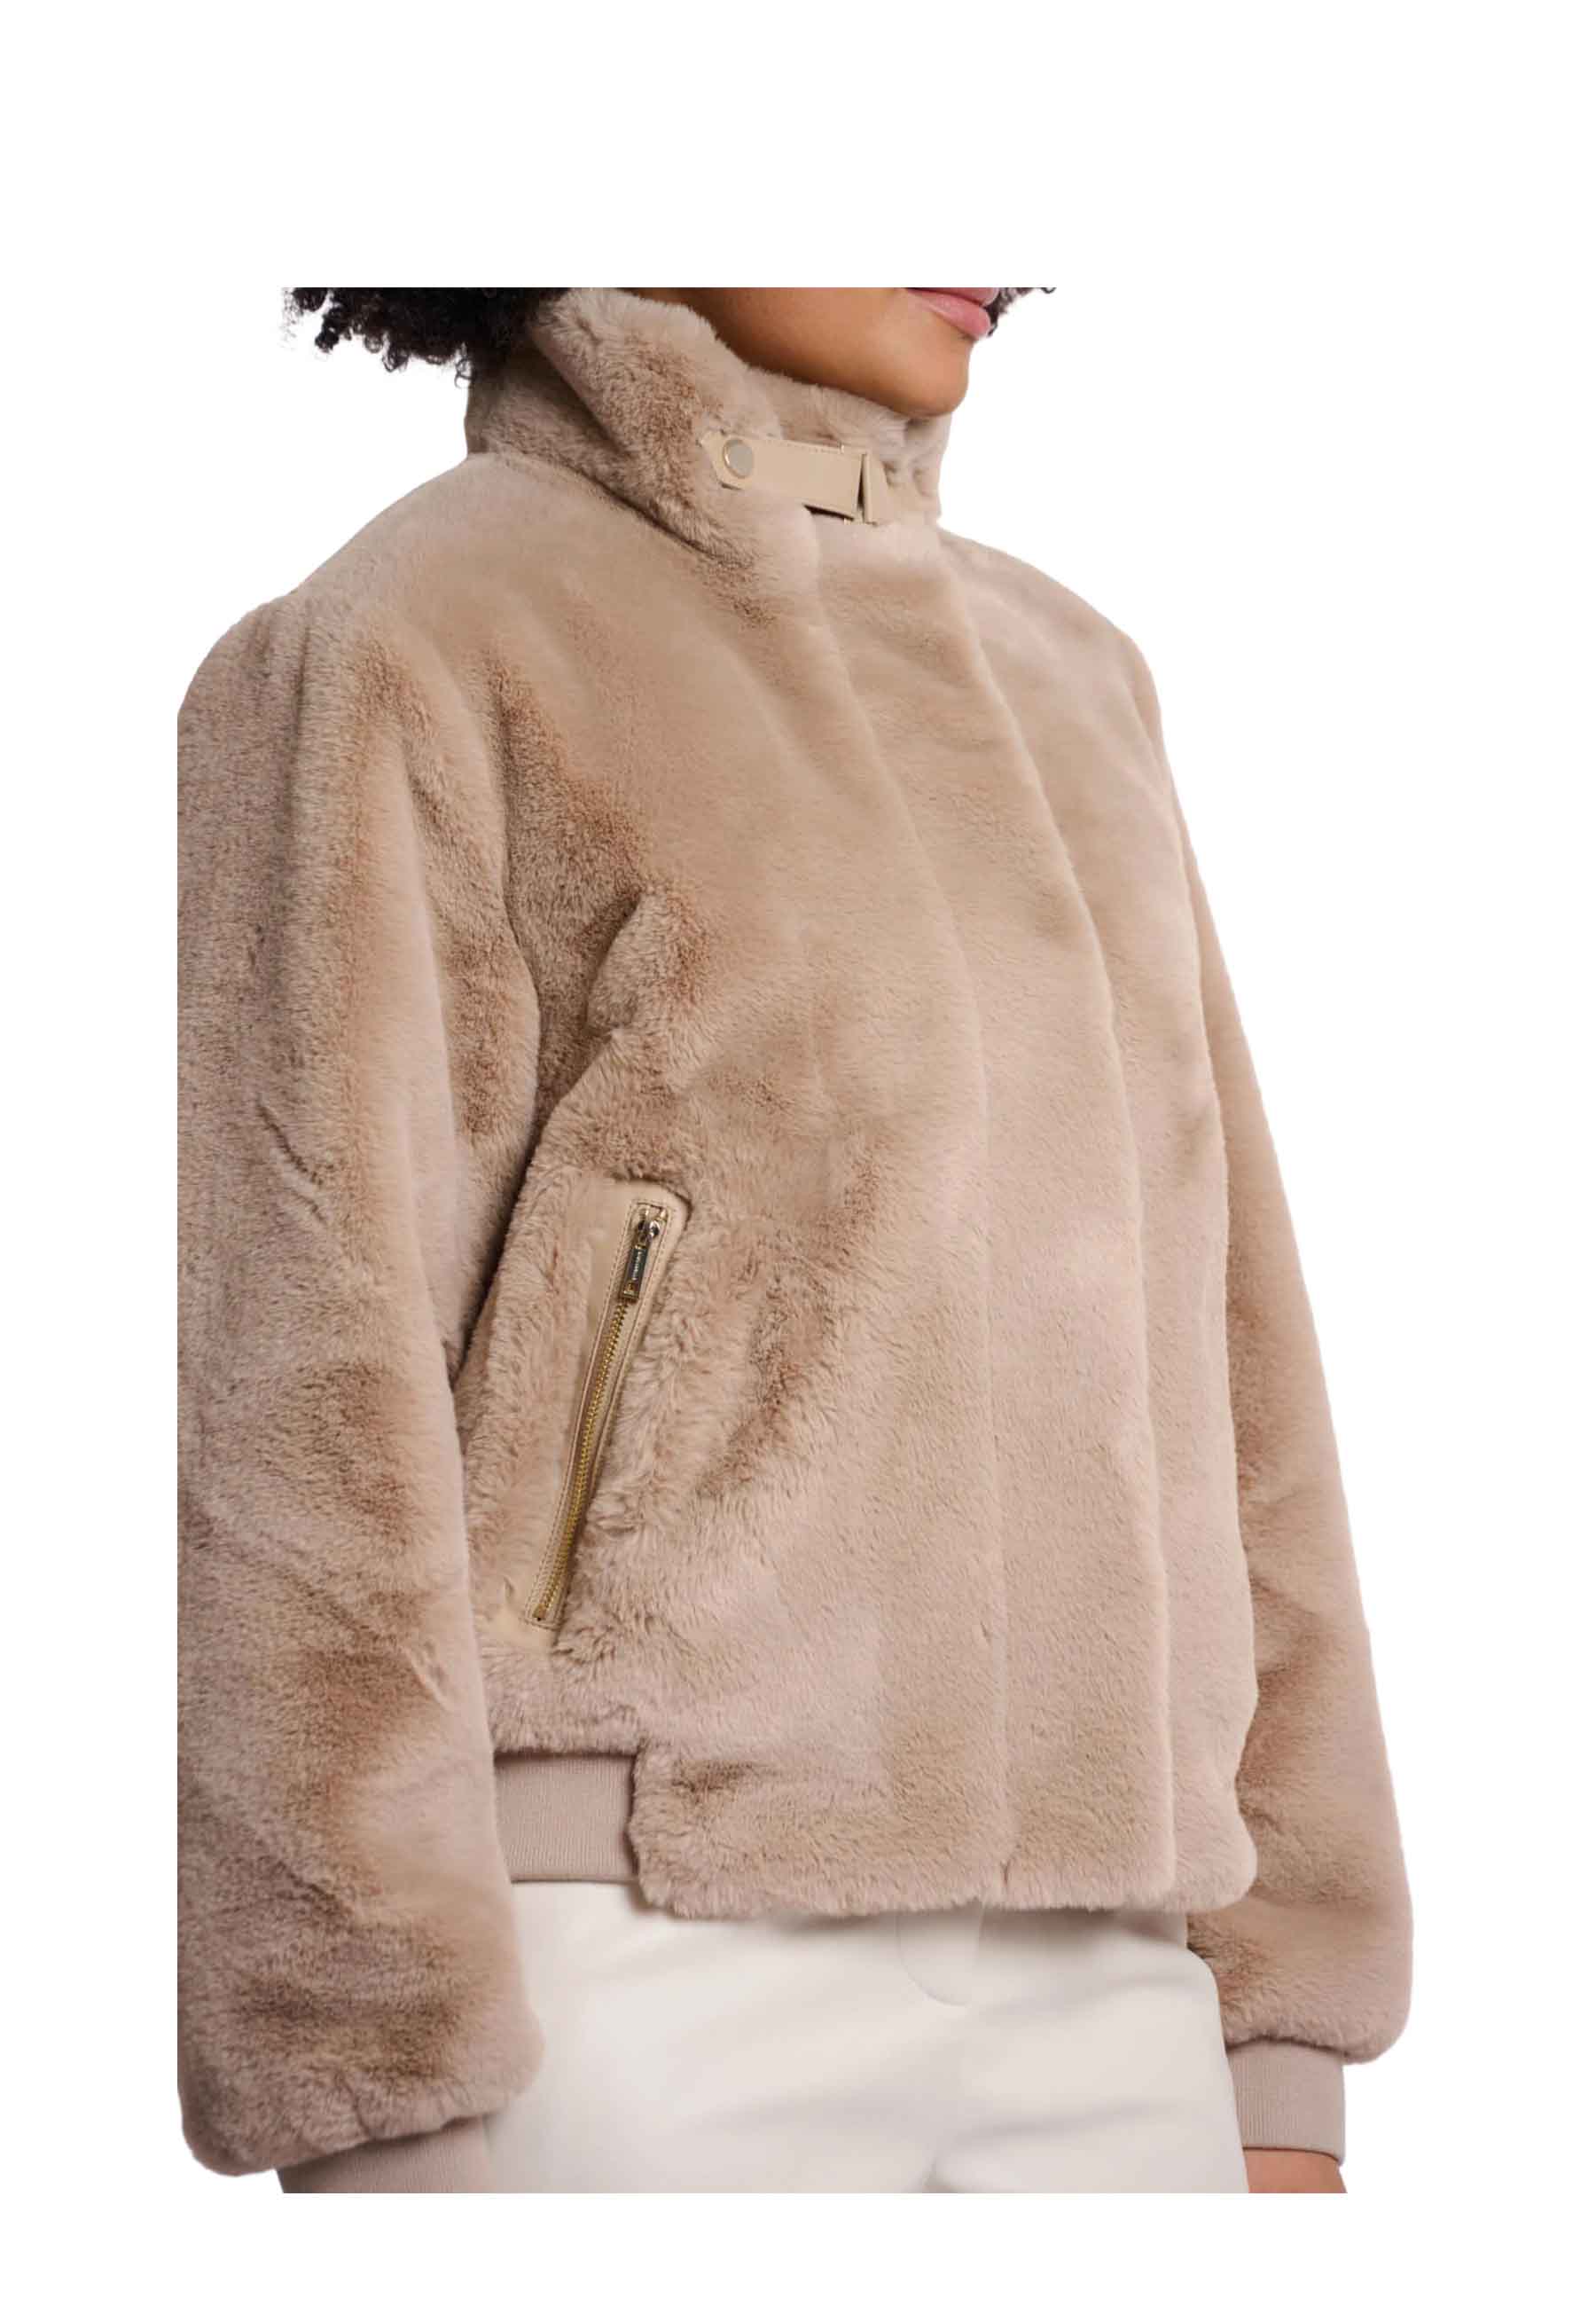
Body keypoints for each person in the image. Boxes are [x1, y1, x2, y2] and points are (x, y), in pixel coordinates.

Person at [177, 286, 1410, 2194]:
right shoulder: (416, 634)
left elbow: (1241, 1371)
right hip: (642, 1957)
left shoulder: (1079, 679)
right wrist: (370, 2075)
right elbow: (297, 1400)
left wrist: (1283, 2038)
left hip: (1118, 1983)